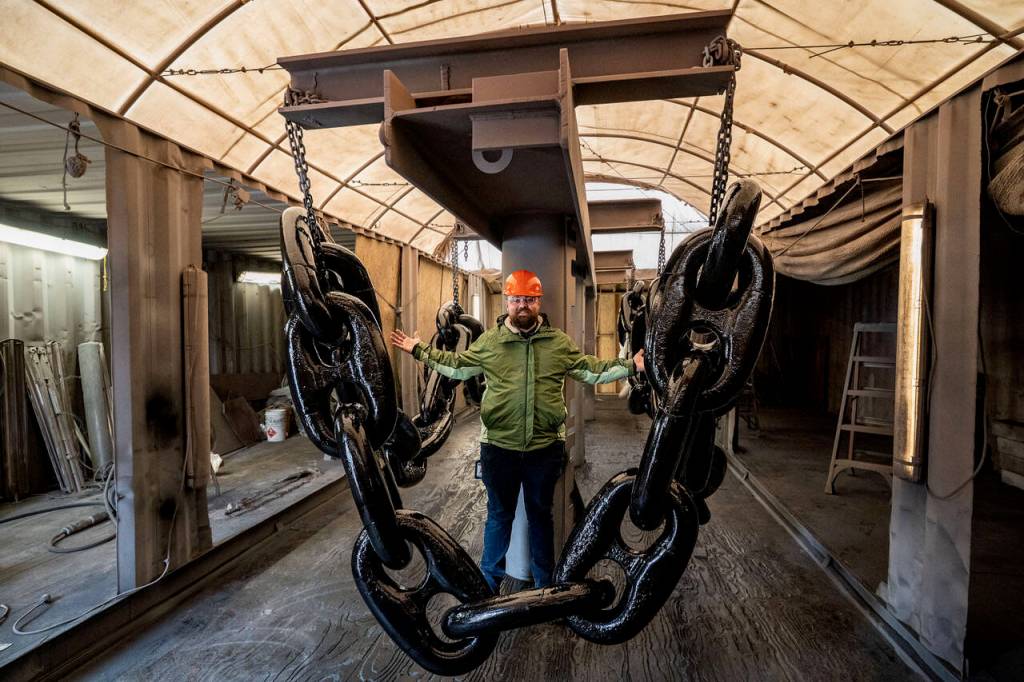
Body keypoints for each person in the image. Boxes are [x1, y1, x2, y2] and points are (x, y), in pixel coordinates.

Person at [390, 269, 645, 591]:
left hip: (544, 449)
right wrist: (419, 350)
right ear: (507, 301)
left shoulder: (557, 342)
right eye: (516, 299)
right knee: (499, 517)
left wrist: (629, 366)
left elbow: (590, 370)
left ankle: (544, 586)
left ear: (538, 302)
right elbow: (457, 365)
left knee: (541, 517)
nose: (522, 305)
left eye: (529, 299)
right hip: (499, 448)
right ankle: (487, 585)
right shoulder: (491, 343)